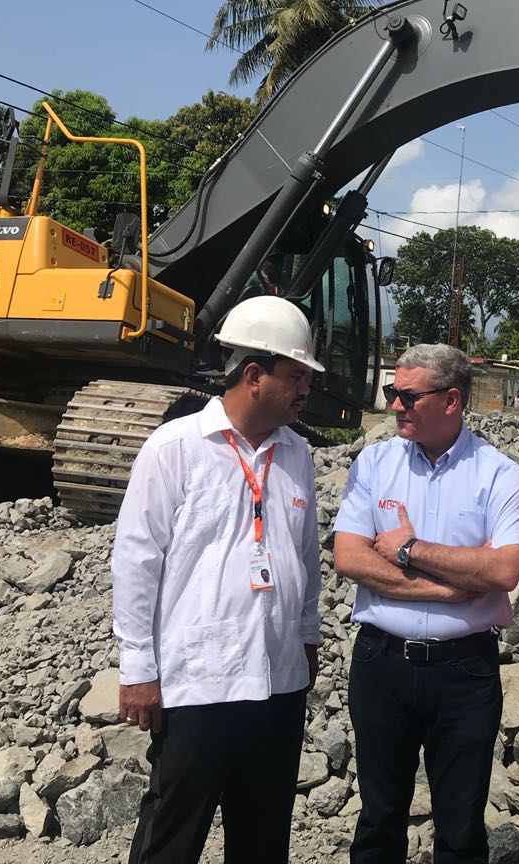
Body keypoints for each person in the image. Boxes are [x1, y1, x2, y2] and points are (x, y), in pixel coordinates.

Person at [112, 295, 326, 864]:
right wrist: (138, 670)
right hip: (197, 684)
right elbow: (136, 561)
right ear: (254, 376)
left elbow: (305, 555)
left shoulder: (297, 454)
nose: (306, 389)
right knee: (172, 836)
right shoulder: (175, 447)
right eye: (296, 376)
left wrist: (307, 636)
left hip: (277, 685)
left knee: (262, 840)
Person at [332, 343, 519, 864]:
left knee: (462, 828)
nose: (395, 405)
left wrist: (407, 550)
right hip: (381, 665)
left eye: (407, 396)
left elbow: (503, 570)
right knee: (378, 819)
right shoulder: (374, 463)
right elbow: (349, 557)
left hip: (464, 673)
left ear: (451, 401)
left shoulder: (498, 474)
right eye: (392, 393)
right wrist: (451, 585)